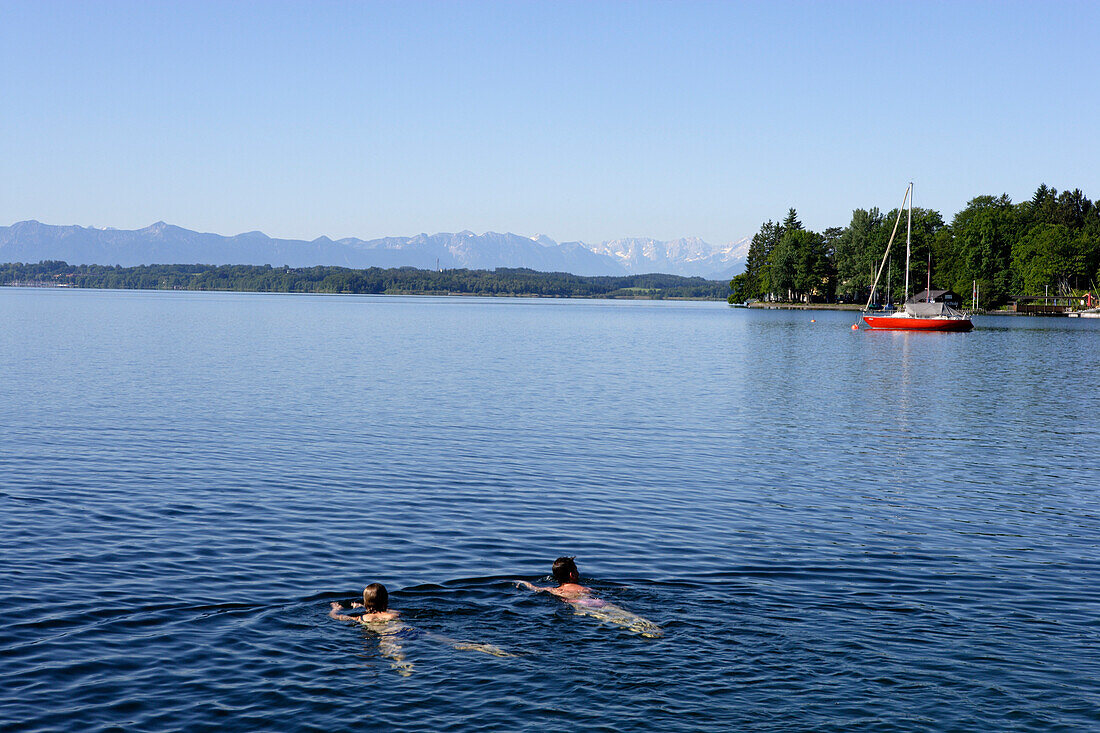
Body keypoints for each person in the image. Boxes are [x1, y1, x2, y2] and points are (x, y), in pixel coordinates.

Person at [330, 583, 512, 673]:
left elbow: (338, 617)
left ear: (365, 602)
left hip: (390, 634)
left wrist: (336, 609)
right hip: (412, 631)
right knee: (450, 642)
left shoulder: (363, 618)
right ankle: (481, 647)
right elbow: (383, 611)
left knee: (391, 647)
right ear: (386, 600)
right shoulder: (394, 613)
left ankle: (404, 665)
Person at [517, 557, 663, 638]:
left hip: (578, 607)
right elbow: (604, 594)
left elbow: (533, 588)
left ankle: (646, 632)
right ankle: (652, 631)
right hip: (594, 603)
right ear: (572, 575)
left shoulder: (553, 590)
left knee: (607, 619)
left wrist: (520, 582)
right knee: (626, 617)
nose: (578, 573)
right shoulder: (584, 588)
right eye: (576, 570)